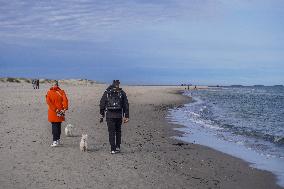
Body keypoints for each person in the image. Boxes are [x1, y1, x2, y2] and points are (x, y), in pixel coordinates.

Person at [100, 80, 129, 154]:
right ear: (118, 84)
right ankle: (118, 147)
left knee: (111, 132)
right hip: (119, 115)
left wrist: (102, 114)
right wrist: (126, 116)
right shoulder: (122, 92)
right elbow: (126, 105)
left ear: (112, 84)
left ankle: (112, 149)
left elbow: (102, 103)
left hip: (109, 116)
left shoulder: (107, 92)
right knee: (118, 131)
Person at [46, 80, 68, 147]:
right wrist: (64, 108)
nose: (54, 86)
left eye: (54, 84)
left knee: (55, 126)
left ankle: (55, 141)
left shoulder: (49, 92)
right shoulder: (61, 92)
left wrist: (56, 110)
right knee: (58, 126)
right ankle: (57, 140)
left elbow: (49, 103)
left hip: (54, 112)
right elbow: (65, 100)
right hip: (60, 111)